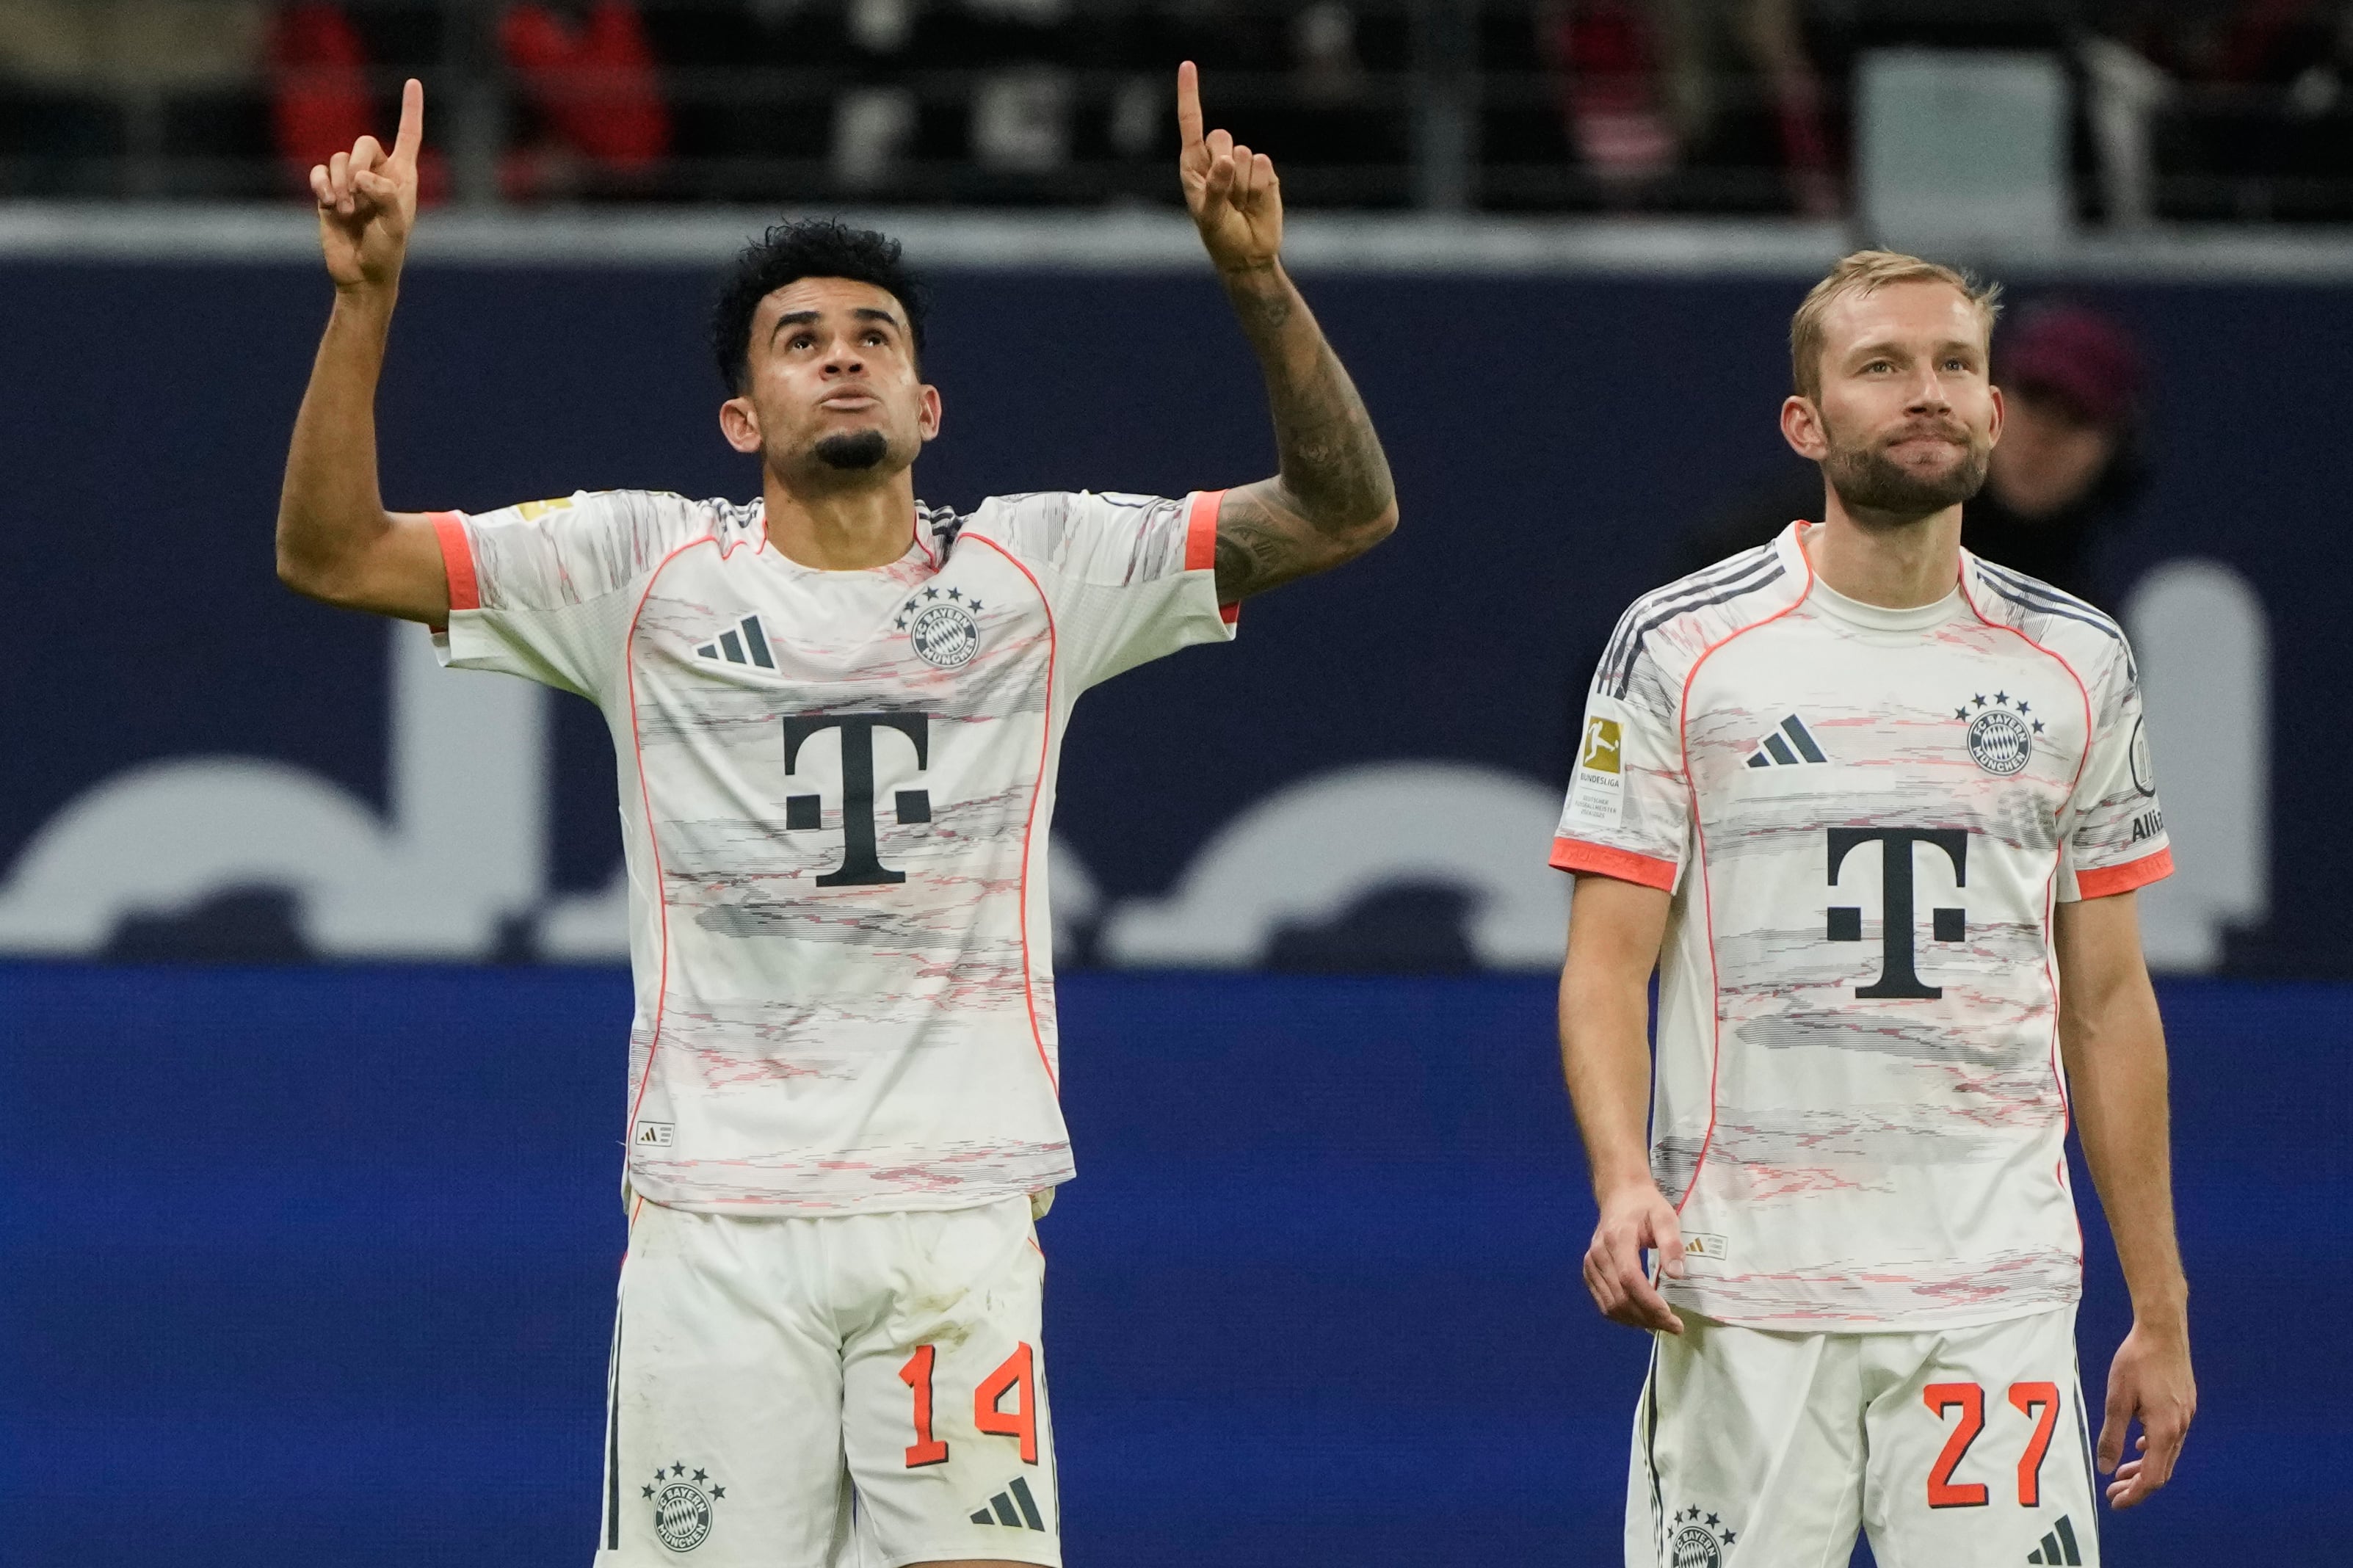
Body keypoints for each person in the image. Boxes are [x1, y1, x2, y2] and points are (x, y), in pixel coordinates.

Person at [274, 66, 1396, 1568]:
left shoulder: (1039, 572)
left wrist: (1257, 281)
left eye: (875, 337)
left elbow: (1342, 511)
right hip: (719, 1216)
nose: (844, 358)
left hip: (956, 1212)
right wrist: (363, 300)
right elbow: (335, 554)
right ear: (743, 416)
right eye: (801, 342)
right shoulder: (641, 570)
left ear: (929, 405)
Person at [1552, 250, 2192, 1567]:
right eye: (1882, 366)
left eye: (1955, 364)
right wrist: (1621, 1184)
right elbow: (1607, 964)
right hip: (1745, 1292)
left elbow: (2108, 998)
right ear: (1807, 421)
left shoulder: (2078, 662)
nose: (1927, 392)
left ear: (1992, 411)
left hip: (1994, 1293)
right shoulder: (1682, 644)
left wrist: (2160, 1299)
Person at [1669, 302, 2148, 610]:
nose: (2043, 438)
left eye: (2077, 419)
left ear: (2113, 452)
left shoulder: (2079, 632)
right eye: (2034, 401)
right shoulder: (1808, 526)